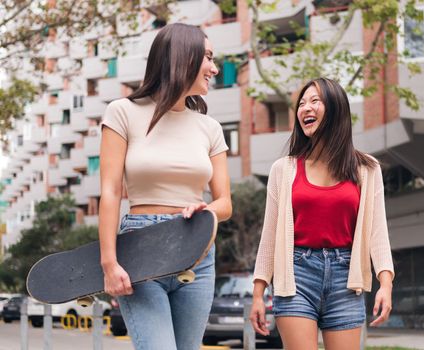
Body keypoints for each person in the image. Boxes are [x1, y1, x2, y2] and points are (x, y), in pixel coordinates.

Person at [98, 23, 232, 350]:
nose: (215, 68)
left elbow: (225, 203)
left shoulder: (210, 127)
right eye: (209, 58)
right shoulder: (123, 113)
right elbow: (111, 192)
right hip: (140, 249)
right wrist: (109, 262)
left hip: (196, 249)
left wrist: (206, 209)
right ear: (183, 58)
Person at [249, 78, 394, 349]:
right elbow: (269, 236)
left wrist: (385, 284)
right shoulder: (284, 169)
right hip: (295, 277)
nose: (306, 108)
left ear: (336, 108)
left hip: (346, 279)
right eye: (301, 103)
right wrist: (258, 293)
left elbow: (378, 232)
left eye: (315, 101)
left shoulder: (367, 169)